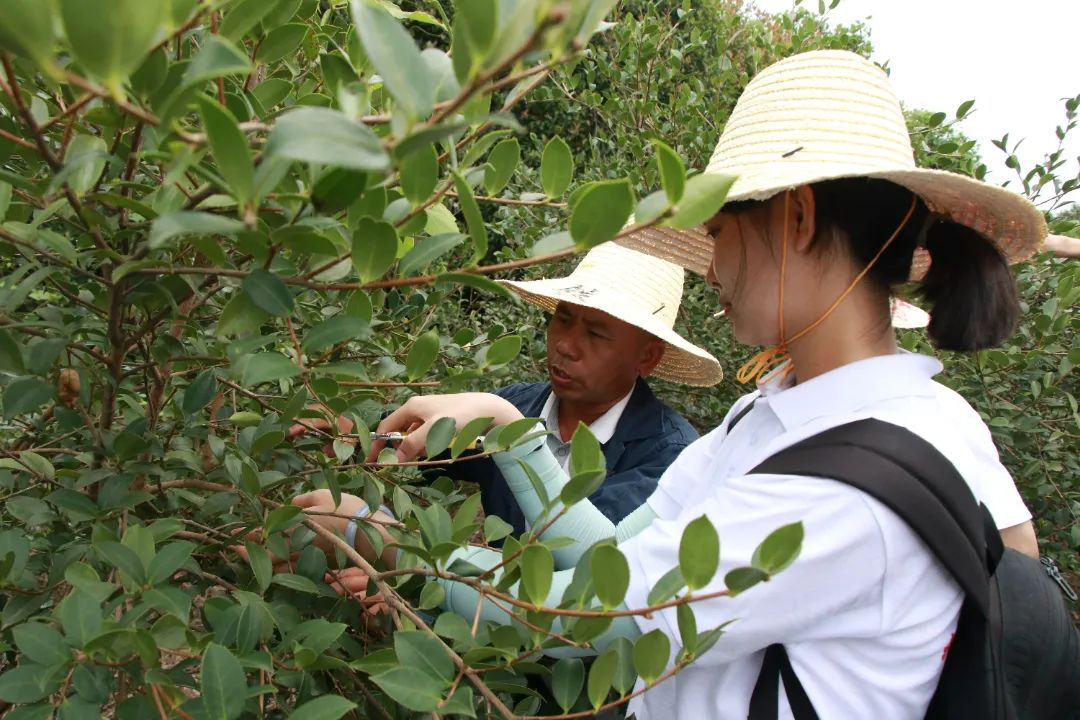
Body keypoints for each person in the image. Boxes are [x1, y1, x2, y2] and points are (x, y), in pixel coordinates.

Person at [297, 50, 1047, 718]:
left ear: (796, 217)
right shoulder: (778, 416)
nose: (712, 269)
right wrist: (512, 427)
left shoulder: (842, 489)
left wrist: (385, 542)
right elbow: (618, 553)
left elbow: (588, 617)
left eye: (718, 233)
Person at [291, 242, 723, 535]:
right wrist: (356, 429)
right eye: (564, 318)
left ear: (647, 357)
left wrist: (395, 553)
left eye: (596, 333)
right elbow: (418, 442)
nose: (566, 345)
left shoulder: (670, 458)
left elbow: (582, 565)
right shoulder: (522, 403)